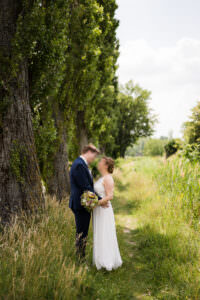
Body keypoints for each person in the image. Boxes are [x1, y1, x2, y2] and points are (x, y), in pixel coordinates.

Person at [69, 144, 107, 261]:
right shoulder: (79, 165)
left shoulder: (81, 164)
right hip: (80, 204)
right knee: (81, 233)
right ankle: (80, 259)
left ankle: (81, 257)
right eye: (94, 156)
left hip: (83, 203)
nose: (94, 159)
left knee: (83, 232)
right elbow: (86, 187)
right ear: (89, 152)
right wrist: (101, 200)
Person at [93, 156, 123, 271]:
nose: (99, 163)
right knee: (99, 233)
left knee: (105, 233)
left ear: (106, 165)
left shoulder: (108, 178)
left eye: (101, 161)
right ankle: (99, 260)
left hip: (104, 210)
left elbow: (110, 196)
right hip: (99, 210)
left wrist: (97, 203)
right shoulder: (102, 177)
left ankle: (107, 261)